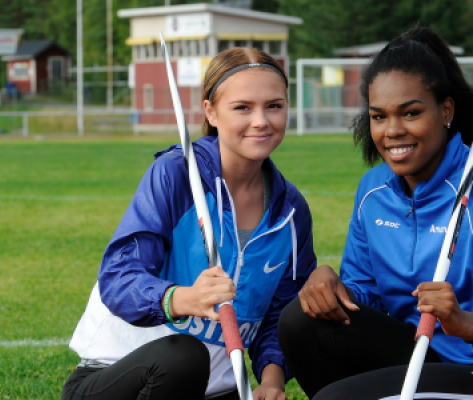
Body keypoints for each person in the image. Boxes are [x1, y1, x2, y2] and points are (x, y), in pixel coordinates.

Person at [278, 27, 473, 400]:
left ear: (445, 110)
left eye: (411, 113)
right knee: (300, 320)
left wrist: (465, 323)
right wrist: (335, 288)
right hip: (426, 354)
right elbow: (367, 295)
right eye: (379, 117)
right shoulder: (373, 190)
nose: (392, 131)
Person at [62, 47, 317, 400]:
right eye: (242, 107)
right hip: (124, 378)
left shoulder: (291, 211)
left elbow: (279, 314)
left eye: (274, 106)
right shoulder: (176, 175)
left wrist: (271, 382)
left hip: (218, 389)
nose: (261, 120)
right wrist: (184, 299)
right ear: (211, 112)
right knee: (184, 356)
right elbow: (118, 277)